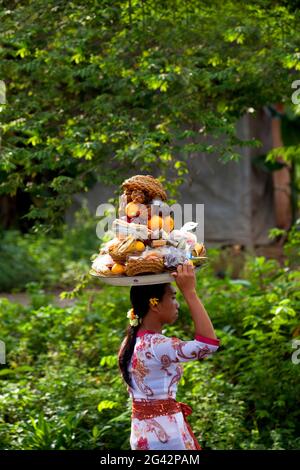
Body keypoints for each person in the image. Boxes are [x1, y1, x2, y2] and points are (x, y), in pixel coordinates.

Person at [118, 261, 220, 450]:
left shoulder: (129, 342)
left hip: (142, 434)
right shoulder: (157, 345)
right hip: (167, 438)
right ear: (154, 304)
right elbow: (208, 344)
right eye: (173, 297)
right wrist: (190, 292)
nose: (177, 304)